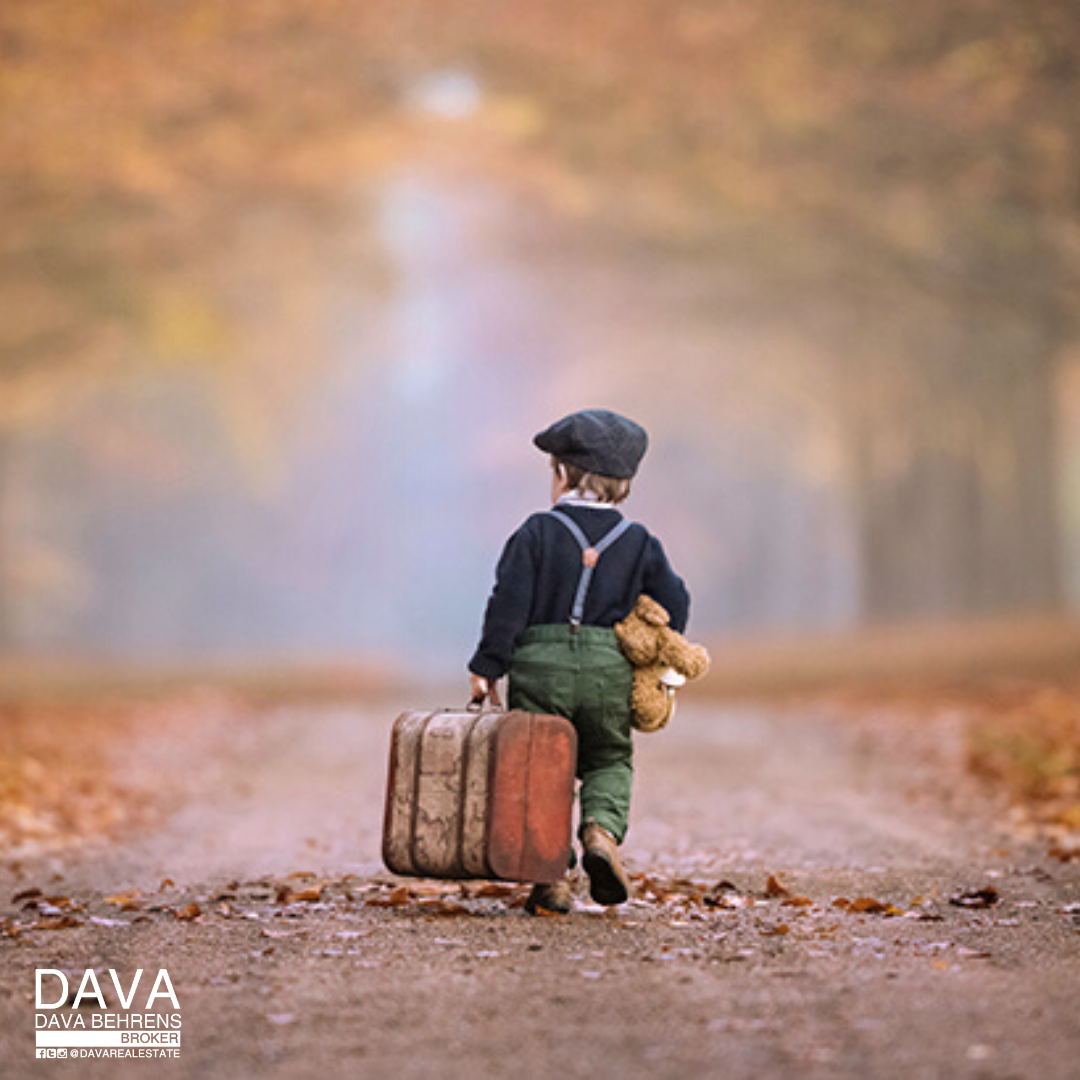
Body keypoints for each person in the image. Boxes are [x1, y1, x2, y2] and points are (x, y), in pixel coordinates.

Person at [468, 408, 690, 913]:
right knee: (608, 757)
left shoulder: (535, 533)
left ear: (563, 474)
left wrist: (487, 665)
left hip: (539, 665)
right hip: (607, 667)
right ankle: (600, 834)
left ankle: (550, 877)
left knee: (541, 768)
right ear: (625, 484)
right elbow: (676, 604)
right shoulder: (639, 542)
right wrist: (656, 659)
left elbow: (508, 604)